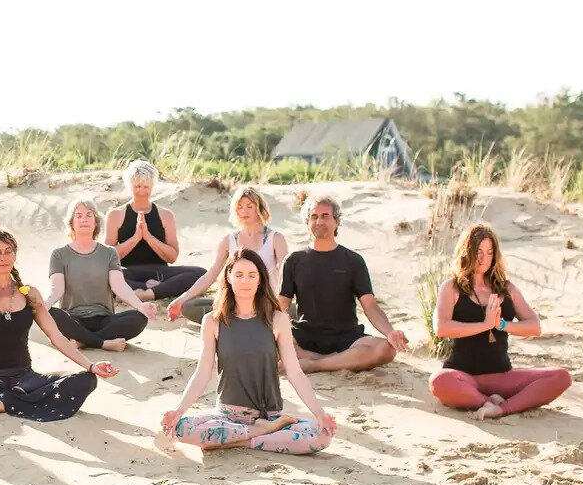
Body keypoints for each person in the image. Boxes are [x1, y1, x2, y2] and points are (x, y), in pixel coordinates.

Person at [0, 228, 119, 421]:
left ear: (14, 255)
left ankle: (5, 403)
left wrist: (91, 366)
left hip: (26, 379)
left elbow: (56, 336)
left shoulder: (30, 293)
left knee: (86, 380)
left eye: (8, 251)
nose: (3, 257)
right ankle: (17, 400)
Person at [162, 250, 336, 454]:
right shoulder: (212, 321)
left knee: (322, 436)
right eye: (239, 275)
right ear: (228, 277)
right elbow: (202, 372)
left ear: (260, 278)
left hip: (270, 416)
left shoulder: (277, 319)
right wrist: (179, 410)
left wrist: (319, 413)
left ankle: (244, 439)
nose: (245, 281)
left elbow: (295, 372)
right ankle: (260, 434)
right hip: (227, 415)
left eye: (252, 275)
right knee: (182, 428)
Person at [429, 223, 571, 420]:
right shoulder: (452, 288)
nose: (483, 258)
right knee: (439, 381)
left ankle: (501, 408)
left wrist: (502, 325)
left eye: (489, 252)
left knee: (561, 377)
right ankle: (485, 402)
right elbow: (441, 328)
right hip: (463, 376)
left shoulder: (506, 288)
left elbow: (534, 326)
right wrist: (484, 325)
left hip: (501, 376)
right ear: (466, 252)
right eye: (478, 251)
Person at [277, 195, 408, 372]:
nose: (319, 221)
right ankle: (328, 360)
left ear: (336, 221)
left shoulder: (353, 261)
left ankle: (313, 364)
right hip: (305, 336)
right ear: (307, 222)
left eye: (325, 216)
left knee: (386, 349)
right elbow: (281, 308)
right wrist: (282, 337)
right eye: (314, 217)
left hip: (346, 337)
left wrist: (390, 333)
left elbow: (370, 307)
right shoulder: (293, 260)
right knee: (266, 342)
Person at [46, 199, 157, 352]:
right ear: (71, 222)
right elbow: (56, 289)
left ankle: (83, 342)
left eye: (89, 215)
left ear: (96, 222)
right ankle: (103, 343)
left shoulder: (109, 252)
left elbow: (119, 286)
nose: (84, 219)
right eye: (78, 216)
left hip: (105, 319)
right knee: (52, 315)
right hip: (73, 319)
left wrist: (140, 305)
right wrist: (44, 305)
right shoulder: (59, 254)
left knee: (138, 318)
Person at [168, 186, 289, 325]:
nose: (244, 211)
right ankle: (238, 320)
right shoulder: (229, 240)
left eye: (250, 206)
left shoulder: (276, 238)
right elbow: (211, 275)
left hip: (265, 301)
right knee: (189, 306)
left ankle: (247, 321)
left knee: (290, 311)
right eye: (240, 207)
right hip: (235, 303)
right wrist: (182, 299)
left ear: (259, 208)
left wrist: (279, 305)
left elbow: (285, 276)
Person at [104, 160, 206, 302]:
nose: (141, 191)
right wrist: (135, 238)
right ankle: (155, 289)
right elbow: (108, 258)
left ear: (153, 186)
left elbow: (172, 257)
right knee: (102, 274)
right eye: (137, 186)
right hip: (128, 272)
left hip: (160, 272)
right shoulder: (115, 215)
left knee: (200, 273)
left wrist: (148, 237)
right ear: (129, 186)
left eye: (146, 186)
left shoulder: (166, 215)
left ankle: (145, 293)